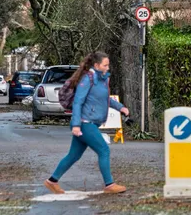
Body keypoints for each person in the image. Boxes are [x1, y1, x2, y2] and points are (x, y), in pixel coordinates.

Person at [43, 51, 129, 195]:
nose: (108, 67)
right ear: (96, 65)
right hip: (84, 123)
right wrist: (76, 125)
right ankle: (109, 184)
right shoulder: (87, 79)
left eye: (108, 65)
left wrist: (121, 108)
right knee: (104, 150)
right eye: (105, 65)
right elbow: (78, 102)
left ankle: (52, 181)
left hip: (89, 123)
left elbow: (105, 99)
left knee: (73, 155)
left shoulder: (101, 79)